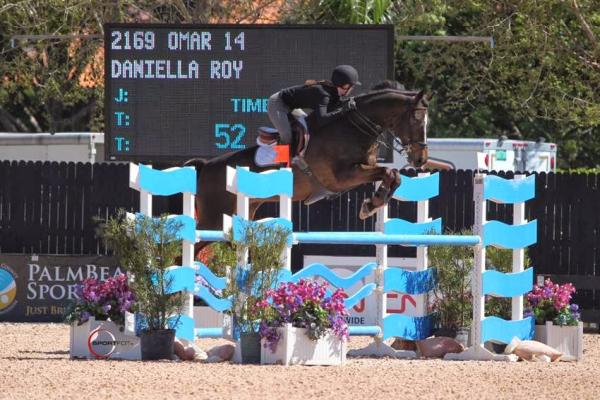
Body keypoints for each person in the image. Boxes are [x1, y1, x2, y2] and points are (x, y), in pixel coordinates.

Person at [267, 65, 361, 146]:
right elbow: (323, 119)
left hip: (291, 106)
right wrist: (343, 110)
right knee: (287, 137)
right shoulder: (323, 95)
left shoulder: (334, 93)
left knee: (307, 128)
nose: (352, 88)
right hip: (277, 103)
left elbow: (336, 109)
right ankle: (281, 162)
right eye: (352, 86)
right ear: (345, 86)